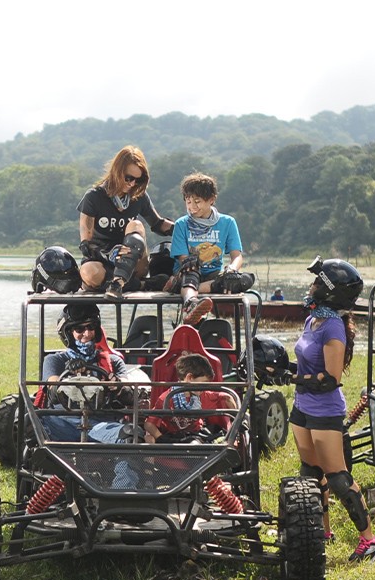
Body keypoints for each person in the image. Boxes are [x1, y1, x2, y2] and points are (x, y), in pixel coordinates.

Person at [290, 256, 375, 562]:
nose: (312, 285)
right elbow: (305, 364)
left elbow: (330, 379)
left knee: (338, 477)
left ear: (329, 291)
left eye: (318, 281)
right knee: (310, 473)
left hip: (324, 410)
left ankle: (370, 541)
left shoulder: (332, 327)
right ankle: (323, 532)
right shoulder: (312, 319)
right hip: (302, 406)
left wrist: (293, 378)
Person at [77, 146, 174, 298]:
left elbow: (158, 224)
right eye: (128, 178)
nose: (132, 184)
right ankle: (142, 285)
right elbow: (86, 246)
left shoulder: (139, 196)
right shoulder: (94, 197)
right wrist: (109, 254)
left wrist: (185, 228)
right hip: (103, 262)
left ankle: (118, 282)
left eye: (138, 180)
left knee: (136, 225)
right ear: (117, 171)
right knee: (89, 272)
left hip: (133, 261)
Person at [37, 302, 129, 442]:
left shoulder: (113, 362)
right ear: (68, 333)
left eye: (91, 327)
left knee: (130, 435)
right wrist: (69, 374)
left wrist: (116, 385)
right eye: (79, 329)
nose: (87, 333)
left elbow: (129, 395)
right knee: (27, 421)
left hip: (102, 424)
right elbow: (53, 391)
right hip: (63, 422)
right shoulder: (55, 360)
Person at [168, 172, 250, 325]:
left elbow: (237, 256)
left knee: (245, 279)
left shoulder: (228, 222)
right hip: (188, 273)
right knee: (191, 270)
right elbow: (183, 259)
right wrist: (190, 263)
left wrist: (231, 269)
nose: (192, 207)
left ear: (211, 200)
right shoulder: (181, 224)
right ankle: (191, 303)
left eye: (197, 201)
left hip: (213, 275)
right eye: (188, 201)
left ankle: (194, 288)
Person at [143, 353, 237, 443]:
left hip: (197, 435)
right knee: (149, 438)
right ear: (189, 378)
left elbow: (227, 397)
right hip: (174, 438)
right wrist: (161, 438)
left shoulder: (204, 395)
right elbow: (149, 424)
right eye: (203, 383)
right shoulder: (166, 398)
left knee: (199, 441)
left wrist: (237, 419)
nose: (205, 387)